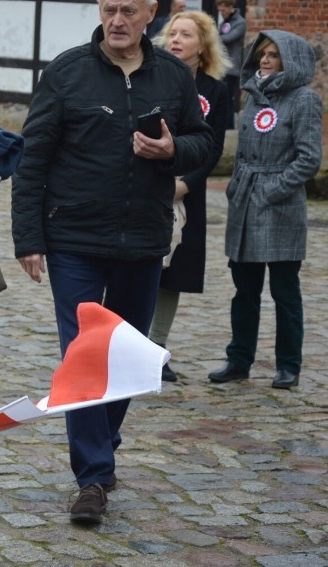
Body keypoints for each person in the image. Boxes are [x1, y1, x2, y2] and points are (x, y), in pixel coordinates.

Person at [10, 0, 213, 525]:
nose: (117, 19)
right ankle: (93, 477)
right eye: (109, 8)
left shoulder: (172, 75)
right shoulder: (67, 71)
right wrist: (28, 238)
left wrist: (172, 149)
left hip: (143, 242)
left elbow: (204, 144)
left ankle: (101, 442)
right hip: (73, 238)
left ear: (151, 13)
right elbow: (33, 157)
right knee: (82, 356)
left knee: (122, 360)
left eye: (129, 10)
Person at [208, 31, 323, 390]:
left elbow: (309, 159)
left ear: (291, 61)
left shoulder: (304, 100)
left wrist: (271, 190)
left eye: (274, 55)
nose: (265, 60)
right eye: (262, 54)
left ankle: (289, 365)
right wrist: (236, 186)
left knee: (285, 291)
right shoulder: (254, 95)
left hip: (280, 207)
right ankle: (239, 359)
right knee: (244, 291)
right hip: (244, 205)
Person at [149, 10, 231, 382]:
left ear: (203, 46)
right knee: (139, 270)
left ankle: (156, 350)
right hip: (148, 187)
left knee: (173, 276)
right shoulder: (152, 77)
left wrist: (186, 184)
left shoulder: (216, 90)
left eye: (186, 35)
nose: (176, 40)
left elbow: (212, 148)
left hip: (188, 191)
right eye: (172, 33)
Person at [216, 0, 246, 129]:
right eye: (219, 11)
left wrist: (210, 37)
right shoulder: (225, 22)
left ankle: (228, 128)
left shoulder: (240, 22)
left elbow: (227, 39)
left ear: (230, 7)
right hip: (221, 66)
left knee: (229, 100)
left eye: (223, 10)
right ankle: (220, 125)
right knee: (220, 98)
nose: (221, 13)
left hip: (231, 68)